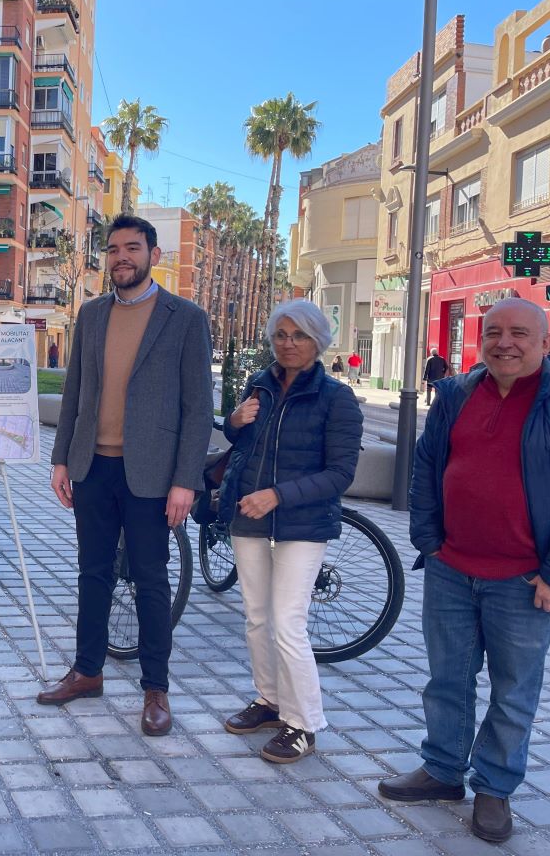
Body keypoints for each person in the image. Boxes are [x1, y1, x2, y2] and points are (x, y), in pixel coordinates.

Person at [379, 297, 550, 844]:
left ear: (546, 344)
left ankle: (494, 788)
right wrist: (428, 539)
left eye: (519, 333)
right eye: (494, 332)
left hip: (524, 580)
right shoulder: (457, 393)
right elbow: (428, 462)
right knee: (447, 680)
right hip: (451, 569)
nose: (504, 342)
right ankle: (441, 770)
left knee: (513, 692)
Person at [40, 215, 213, 736]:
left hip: (152, 475)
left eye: (132, 248)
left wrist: (186, 480)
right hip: (93, 467)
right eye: (113, 249)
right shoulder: (91, 316)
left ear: (153, 256)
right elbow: (75, 393)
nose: (121, 257)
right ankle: (87, 671)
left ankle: (155, 689)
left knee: (151, 579)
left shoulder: (185, 318)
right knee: (92, 573)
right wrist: (61, 458)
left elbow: (198, 407)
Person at [218, 300, 362, 763]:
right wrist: (234, 423)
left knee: (288, 623)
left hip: (300, 522)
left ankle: (304, 724)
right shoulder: (260, 383)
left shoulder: (335, 398)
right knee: (257, 617)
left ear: (318, 340)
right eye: (280, 334)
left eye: (298, 335)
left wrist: (278, 496)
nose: (287, 343)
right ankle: (269, 700)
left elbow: (342, 474)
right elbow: (246, 444)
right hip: (250, 516)